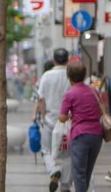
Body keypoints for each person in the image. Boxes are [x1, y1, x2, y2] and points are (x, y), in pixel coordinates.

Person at [59, 61, 104, 192]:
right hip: (97, 135)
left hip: (80, 135)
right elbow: (101, 110)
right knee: (87, 173)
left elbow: (62, 118)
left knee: (79, 174)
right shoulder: (94, 91)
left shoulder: (70, 94)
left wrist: (70, 116)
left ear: (69, 76)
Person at [36, 48, 72, 192]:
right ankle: (65, 185)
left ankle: (53, 170)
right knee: (68, 153)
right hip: (68, 121)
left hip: (50, 120)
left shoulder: (46, 76)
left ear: (53, 60)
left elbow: (41, 99)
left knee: (46, 151)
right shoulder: (71, 76)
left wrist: (44, 117)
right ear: (68, 59)